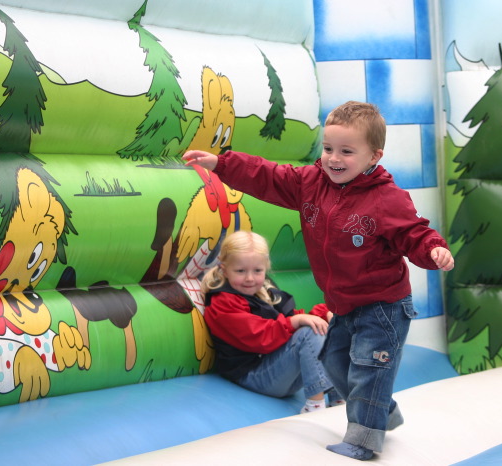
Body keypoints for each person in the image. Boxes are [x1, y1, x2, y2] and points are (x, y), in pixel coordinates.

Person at [184, 101, 454, 461]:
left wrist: (433, 250)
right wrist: (223, 164)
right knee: (334, 363)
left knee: (369, 368)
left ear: (374, 156)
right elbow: (267, 175)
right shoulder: (310, 183)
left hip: (383, 306)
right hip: (343, 303)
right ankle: (381, 411)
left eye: (346, 152)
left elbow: (414, 233)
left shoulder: (386, 199)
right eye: (328, 148)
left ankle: (363, 441)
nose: (333, 159)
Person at [200, 230, 341, 414]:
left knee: (332, 327)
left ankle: (339, 400)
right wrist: (295, 322)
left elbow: (291, 319)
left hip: (278, 372)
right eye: (240, 271)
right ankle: (315, 407)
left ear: (265, 268)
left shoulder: (264, 290)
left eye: (257, 271)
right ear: (224, 269)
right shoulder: (223, 303)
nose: (250, 278)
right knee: (308, 334)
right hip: (253, 375)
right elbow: (259, 336)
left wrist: (324, 315)